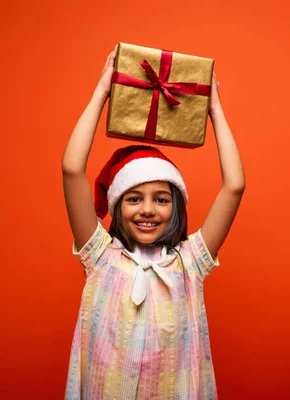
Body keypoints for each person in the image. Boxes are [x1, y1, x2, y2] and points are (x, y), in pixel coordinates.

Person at [62, 45, 245, 399]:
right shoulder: (100, 256)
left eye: (161, 199)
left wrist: (214, 109)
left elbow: (234, 186)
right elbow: (72, 170)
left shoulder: (189, 262)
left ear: (175, 206)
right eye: (134, 198)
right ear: (117, 206)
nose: (148, 210)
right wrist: (102, 92)